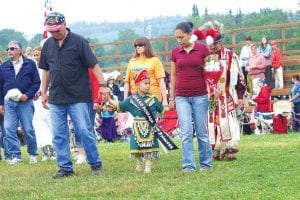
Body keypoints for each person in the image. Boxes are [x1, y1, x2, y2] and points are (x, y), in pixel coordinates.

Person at [39, 12, 108, 178]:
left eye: (57, 29)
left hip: (78, 96)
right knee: (59, 134)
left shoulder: (79, 41)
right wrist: (44, 92)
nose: (54, 33)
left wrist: (103, 86)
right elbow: (46, 71)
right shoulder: (48, 45)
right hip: (56, 96)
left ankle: (95, 163)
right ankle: (65, 168)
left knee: (84, 130)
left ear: (64, 24)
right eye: (51, 30)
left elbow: (94, 65)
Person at [198, 20, 246, 160]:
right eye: (209, 45)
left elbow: (239, 77)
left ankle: (228, 148)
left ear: (220, 42)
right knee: (213, 121)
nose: (212, 47)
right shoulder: (205, 57)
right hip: (210, 96)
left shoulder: (230, 55)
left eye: (214, 44)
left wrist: (241, 96)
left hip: (226, 95)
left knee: (227, 121)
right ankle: (216, 149)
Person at [169, 21, 212, 171]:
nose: (179, 40)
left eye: (181, 37)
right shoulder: (175, 52)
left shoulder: (203, 50)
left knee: (201, 131)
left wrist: (215, 88)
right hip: (181, 96)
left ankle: (206, 164)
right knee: (186, 132)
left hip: (200, 96)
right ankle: (188, 165)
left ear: (190, 35)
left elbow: (211, 71)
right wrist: (171, 97)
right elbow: (173, 75)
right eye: (177, 38)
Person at [109, 69, 167, 173]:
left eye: (149, 83)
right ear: (138, 85)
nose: (148, 85)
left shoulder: (153, 99)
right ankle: (140, 161)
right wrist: (109, 102)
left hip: (150, 127)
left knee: (150, 146)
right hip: (137, 127)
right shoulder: (131, 99)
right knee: (136, 148)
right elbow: (120, 106)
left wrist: (167, 109)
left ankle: (148, 166)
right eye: (145, 83)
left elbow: (162, 109)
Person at [0, 41, 40, 164]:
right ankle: (16, 156)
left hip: (25, 102)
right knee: (8, 129)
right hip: (8, 102)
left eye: (12, 48)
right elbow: (0, 86)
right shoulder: (4, 66)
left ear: (20, 51)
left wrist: (27, 95)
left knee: (28, 129)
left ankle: (33, 153)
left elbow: (36, 83)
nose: (9, 51)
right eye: (8, 49)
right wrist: (1, 103)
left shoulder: (30, 64)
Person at [124, 37, 168, 106]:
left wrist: (165, 100)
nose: (137, 47)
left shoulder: (155, 60)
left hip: (153, 98)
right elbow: (127, 82)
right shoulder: (131, 62)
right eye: (136, 46)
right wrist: (125, 100)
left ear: (146, 46)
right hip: (136, 100)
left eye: (140, 45)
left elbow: (161, 81)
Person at [32, 46, 56, 161]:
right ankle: (45, 151)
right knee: (39, 125)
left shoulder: (48, 67)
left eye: (38, 54)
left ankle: (55, 150)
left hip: (49, 98)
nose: (36, 57)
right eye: (35, 55)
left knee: (51, 123)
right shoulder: (32, 68)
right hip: (36, 101)